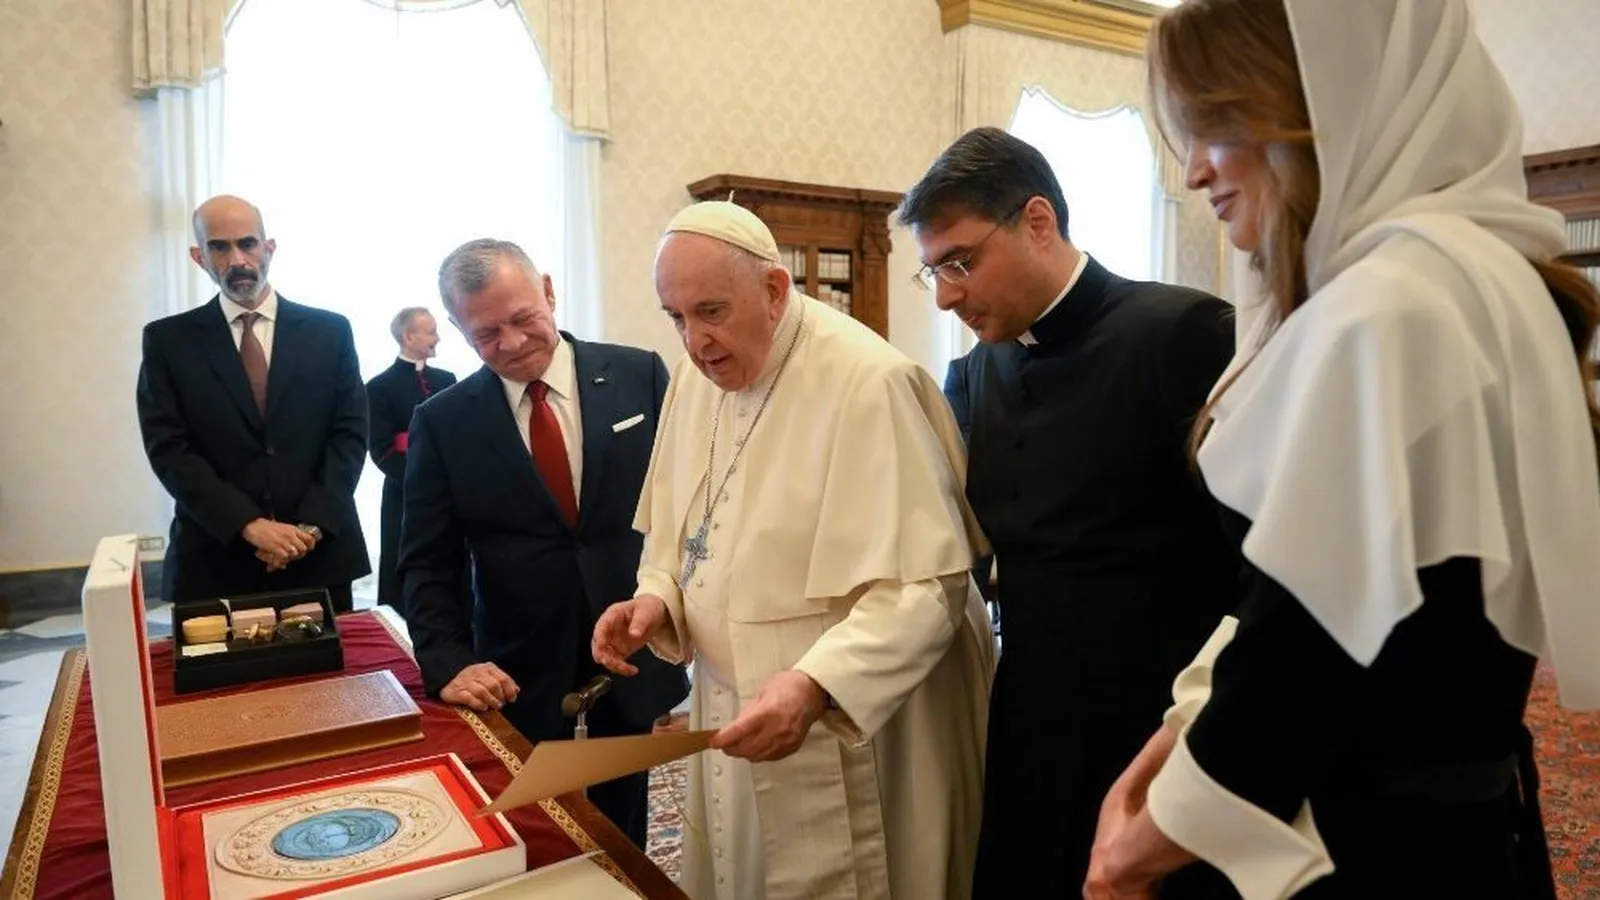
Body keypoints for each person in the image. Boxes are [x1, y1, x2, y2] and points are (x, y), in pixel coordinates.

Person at [1084, 1, 1600, 898]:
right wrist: (1176, 737)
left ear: (1321, 103)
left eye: (1216, 124)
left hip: (1365, 850)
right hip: (1461, 832)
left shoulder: (1384, 312)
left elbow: (1298, 666)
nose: (1195, 170)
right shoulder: (1474, 280)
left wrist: (1132, 852)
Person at [591, 201, 996, 900]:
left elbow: (928, 588)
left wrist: (817, 683)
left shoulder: (869, 381)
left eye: (711, 311)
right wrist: (655, 598)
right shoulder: (694, 376)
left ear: (775, 290)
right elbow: (683, 531)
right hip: (732, 700)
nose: (695, 341)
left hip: (849, 717)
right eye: (676, 317)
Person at [901, 127, 1241, 898]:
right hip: (1031, 721)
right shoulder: (976, 373)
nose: (947, 294)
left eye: (960, 261)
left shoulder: (1184, 334)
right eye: (934, 271)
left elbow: (1262, 566)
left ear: (1038, 221)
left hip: (1160, 727)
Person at [397, 238, 688, 848]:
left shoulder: (640, 375)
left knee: (623, 833)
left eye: (523, 318)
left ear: (549, 292)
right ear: (458, 328)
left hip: (632, 651)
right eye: (486, 333)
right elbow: (428, 562)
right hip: (516, 671)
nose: (510, 343)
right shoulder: (444, 421)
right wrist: (448, 662)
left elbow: (686, 507)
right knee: (535, 836)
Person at [136, 194, 370, 611]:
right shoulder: (168, 342)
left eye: (247, 243)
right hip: (214, 559)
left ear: (269, 248)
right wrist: (248, 525)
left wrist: (308, 530)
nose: (237, 259)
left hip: (320, 556)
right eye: (219, 247)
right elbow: (169, 449)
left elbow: (349, 435)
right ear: (199, 257)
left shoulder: (330, 332)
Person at [365, 307, 456, 615]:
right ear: (408, 337)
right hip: (402, 492)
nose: (437, 338)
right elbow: (380, 448)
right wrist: (419, 481)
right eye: (431, 332)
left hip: (449, 491)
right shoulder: (378, 387)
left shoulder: (447, 380)